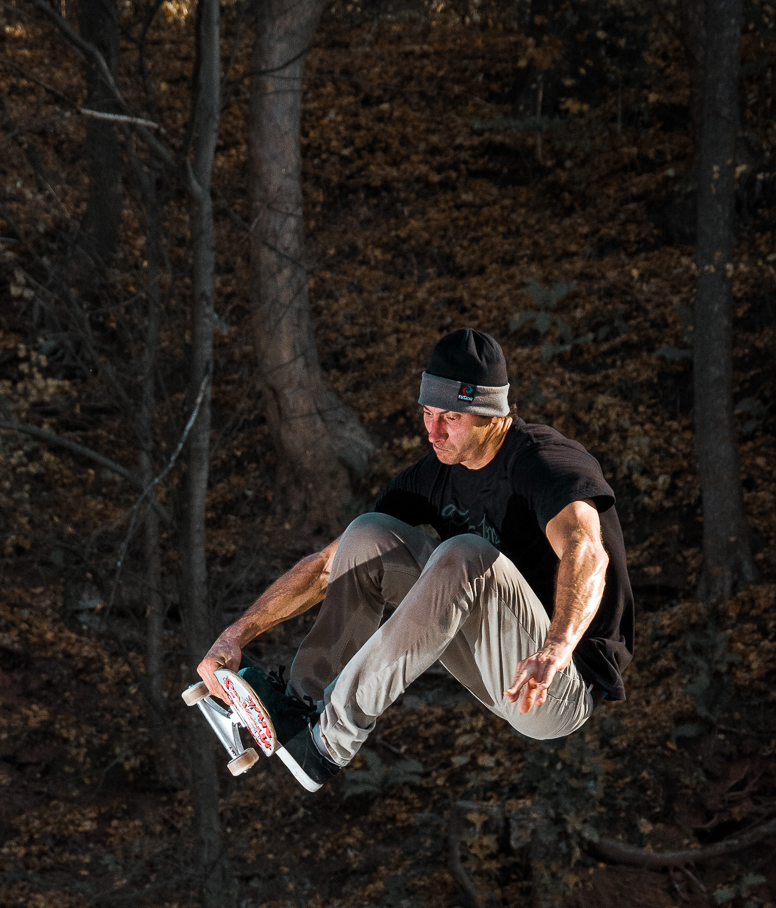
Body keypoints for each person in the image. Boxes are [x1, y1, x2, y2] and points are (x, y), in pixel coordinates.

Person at [197, 327, 635, 791]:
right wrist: (236, 633)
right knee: (364, 535)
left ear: (490, 413)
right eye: (427, 414)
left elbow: (586, 549)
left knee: (465, 553)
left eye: (450, 418)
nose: (433, 432)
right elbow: (330, 564)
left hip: (558, 686)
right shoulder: (432, 477)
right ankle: (299, 708)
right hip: (495, 667)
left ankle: (328, 743)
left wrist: (557, 646)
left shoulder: (545, 462)